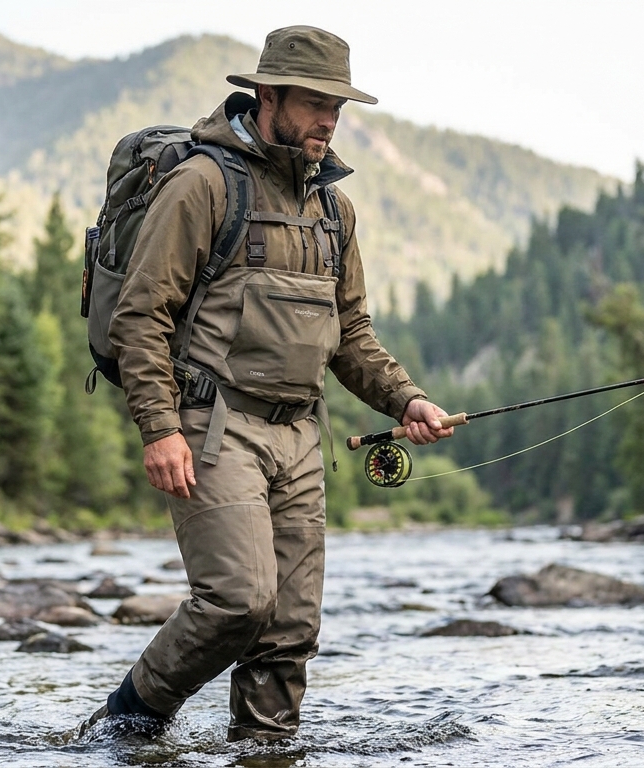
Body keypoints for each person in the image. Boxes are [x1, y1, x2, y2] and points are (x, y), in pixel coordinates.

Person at [85, 25, 454, 742]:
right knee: (237, 601)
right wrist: (159, 428)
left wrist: (406, 398)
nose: (329, 120)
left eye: (337, 107)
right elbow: (141, 315)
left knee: (289, 630)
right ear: (268, 95)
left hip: (300, 436)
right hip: (211, 425)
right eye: (316, 103)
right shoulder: (202, 184)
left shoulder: (334, 210)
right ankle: (126, 724)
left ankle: (265, 751)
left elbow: (351, 333)